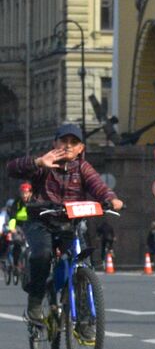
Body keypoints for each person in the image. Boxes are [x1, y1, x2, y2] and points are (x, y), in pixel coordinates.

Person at [6, 122, 125, 321]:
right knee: (42, 255)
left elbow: (98, 186)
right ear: (55, 143)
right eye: (64, 141)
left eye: (74, 142)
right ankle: (35, 300)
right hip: (41, 221)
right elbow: (12, 168)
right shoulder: (45, 163)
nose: (68, 146)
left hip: (71, 223)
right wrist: (37, 163)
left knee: (83, 264)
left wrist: (112, 200)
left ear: (81, 148)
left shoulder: (83, 167)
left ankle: (85, 320)